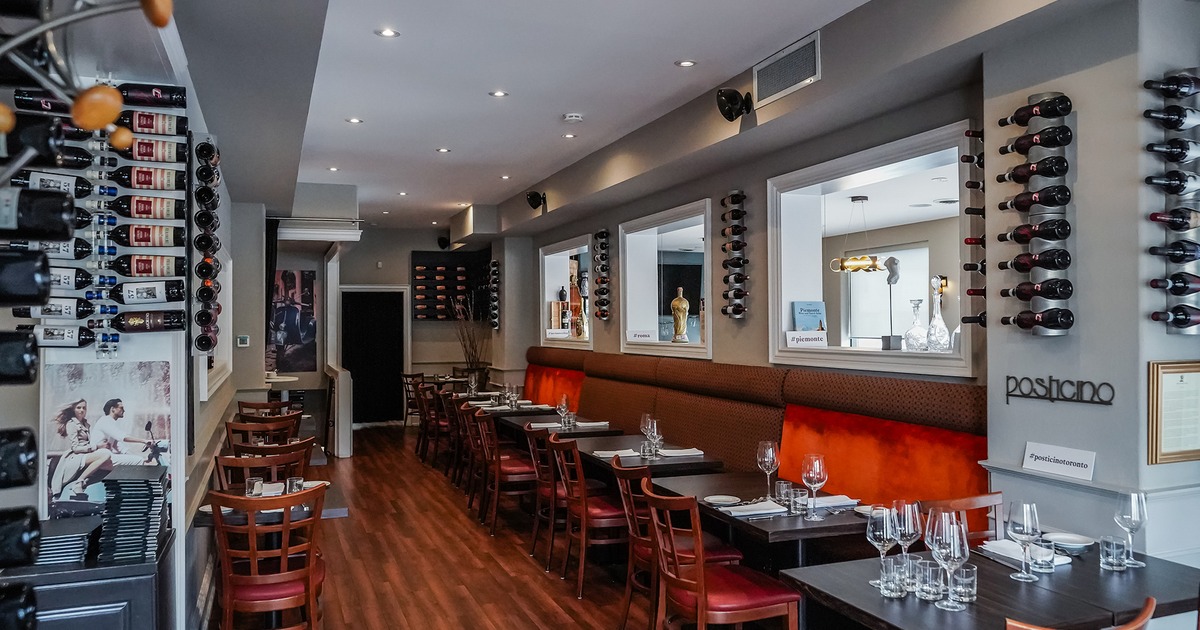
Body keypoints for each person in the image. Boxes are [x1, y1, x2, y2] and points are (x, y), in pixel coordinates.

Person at [49, 399, 112, 500]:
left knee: (110, 464)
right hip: (76, 456)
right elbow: (75, 448)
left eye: (84, 408)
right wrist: (97, 447)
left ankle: (86, 484)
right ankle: (80, 481)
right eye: (79, 408)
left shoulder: (86, 424)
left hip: (86, 454)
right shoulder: (71, 424)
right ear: (73, 409)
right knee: (106, 455)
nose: (82, 410)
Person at [91, 399, 158, 465]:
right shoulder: (105, 421)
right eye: (121, 408)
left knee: (139, 459)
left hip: (105, 455)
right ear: (113, 409)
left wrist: (138, 456)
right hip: (100, 456)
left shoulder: (110, 423)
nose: (124, 410)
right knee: (139, 461)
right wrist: (144, 441)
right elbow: (123, 437)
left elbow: (120, 447)